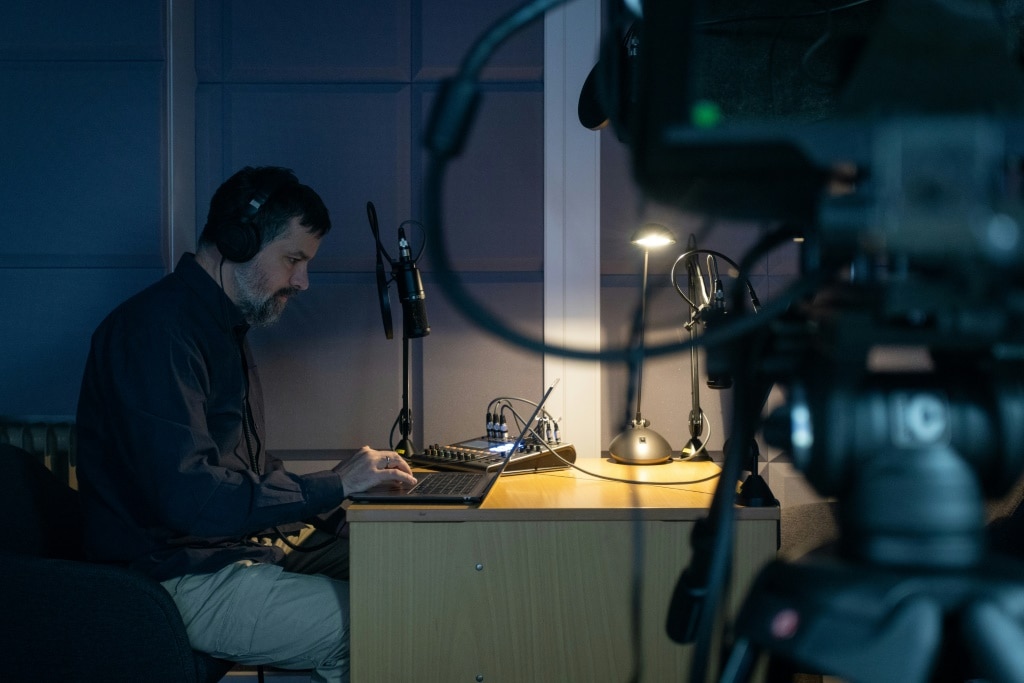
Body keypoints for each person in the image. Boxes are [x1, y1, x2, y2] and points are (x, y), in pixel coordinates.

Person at [76, 166, 416, 682]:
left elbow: (246, 469)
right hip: (172, 579)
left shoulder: (221, 325)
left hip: (232, 551)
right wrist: (334, 484)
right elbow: (190, 498)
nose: (302, 281)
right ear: (239, 241)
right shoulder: (156, 333)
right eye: (294, 260)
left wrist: (341, 514)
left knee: (420, 577)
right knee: (390, 624)